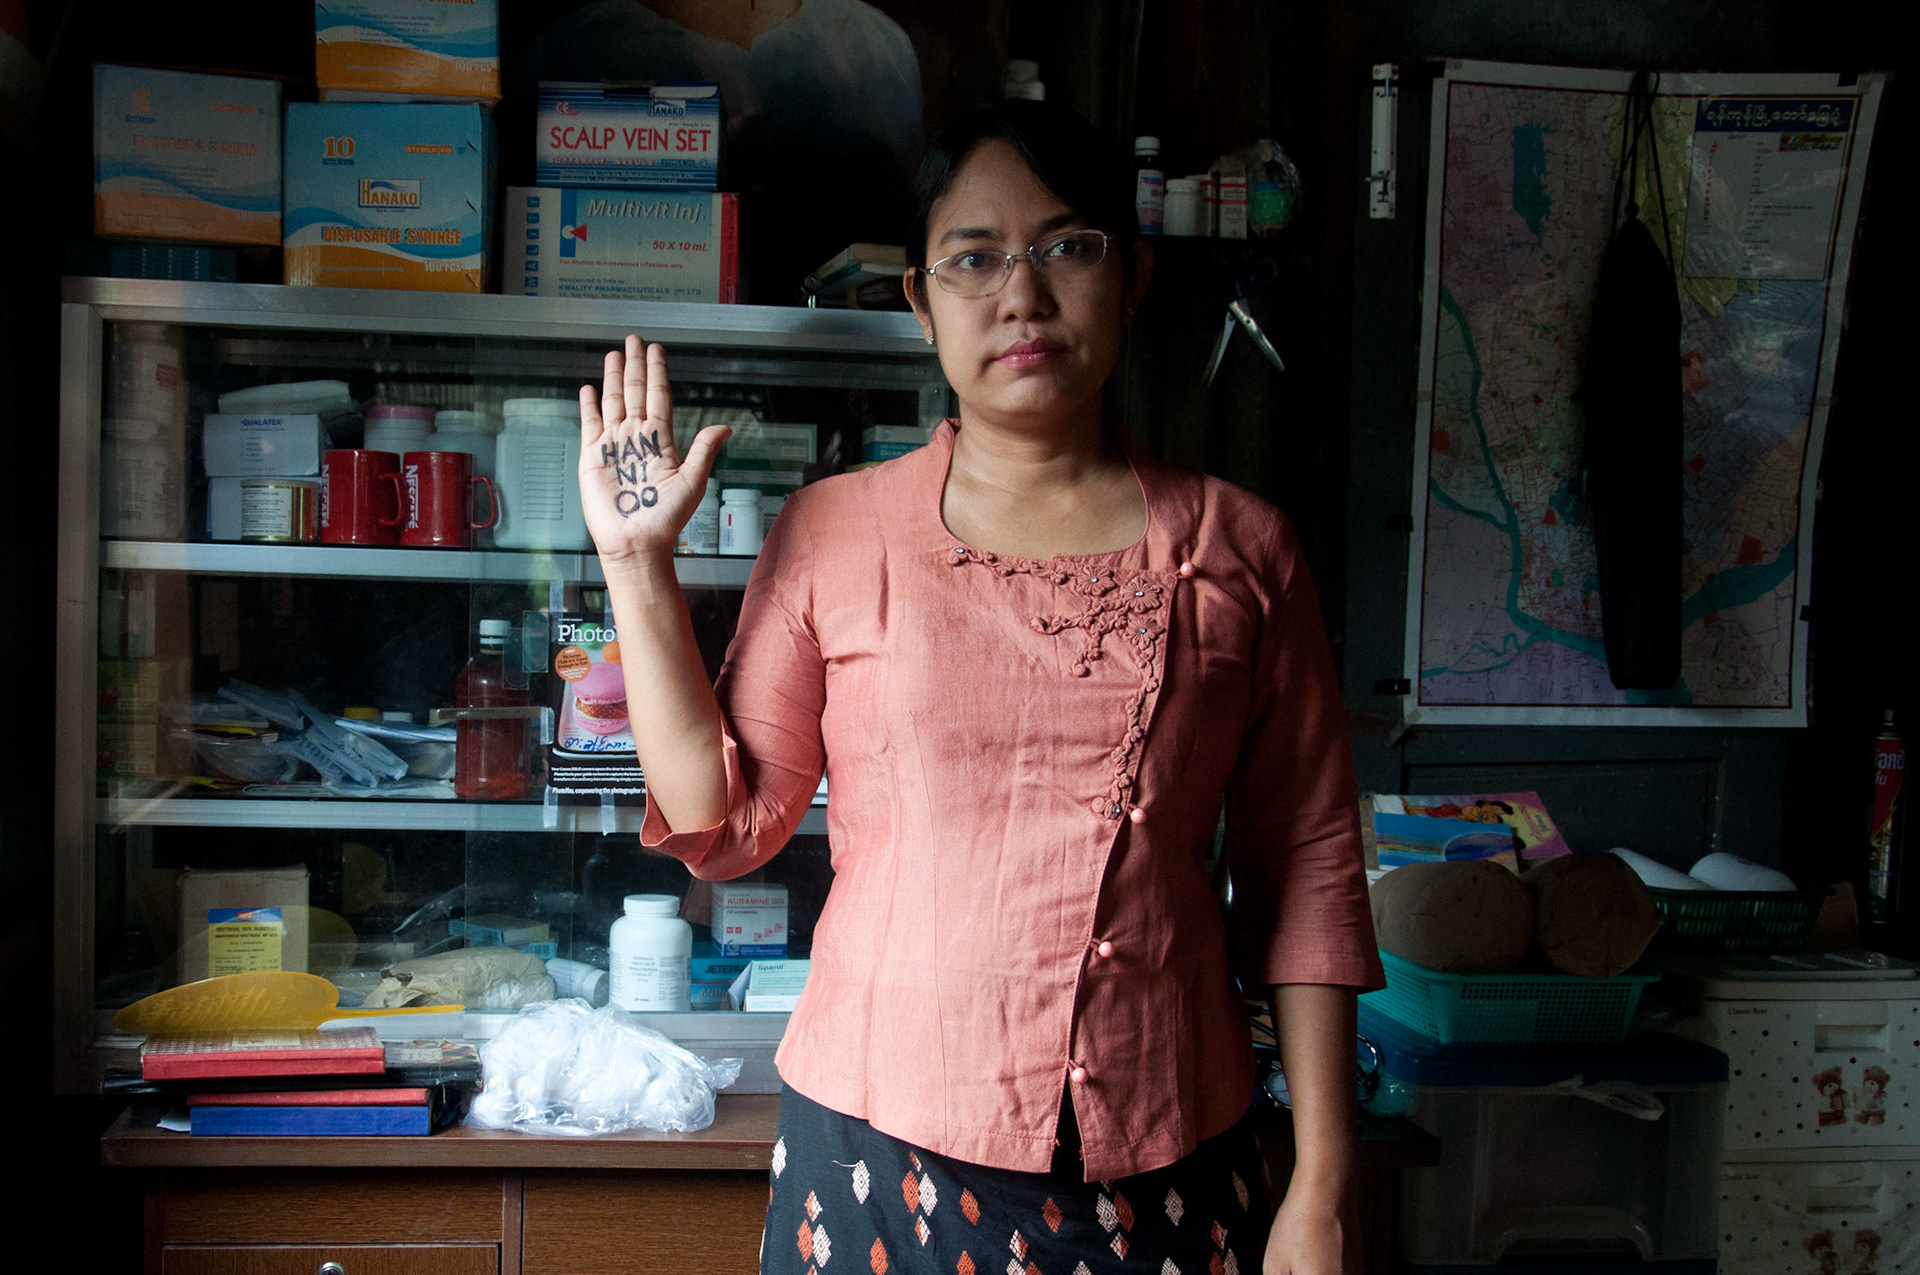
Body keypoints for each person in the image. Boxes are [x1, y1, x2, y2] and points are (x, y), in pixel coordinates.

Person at [577, 99, 1381, 1275]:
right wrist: (638, 569)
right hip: (875, 1153)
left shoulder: (1244, 548)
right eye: (974, 257)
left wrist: (1323, 1183)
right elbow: (725, 823)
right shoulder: (836, 531)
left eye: (1068, 246)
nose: (1023, 293)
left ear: (1133, 272)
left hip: (1168, 1155)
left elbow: (1305, 866)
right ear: (922, 299)